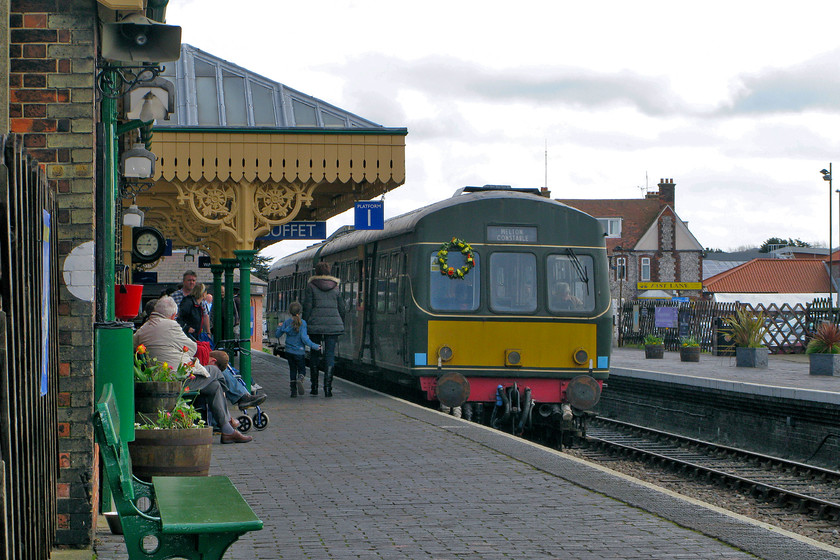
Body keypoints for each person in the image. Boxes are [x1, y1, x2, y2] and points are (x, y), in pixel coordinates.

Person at [133, 296, 258, 444]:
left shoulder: (143, 329)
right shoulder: (171, 325)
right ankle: (232, 411)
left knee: (215, 386)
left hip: (157, 381)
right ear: (173, 315)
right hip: (179, 381)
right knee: (216, 371)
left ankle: (227, 430)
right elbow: (192, 348)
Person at [302, 261, 346, 397]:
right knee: (330, 355)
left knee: (315, 354)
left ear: (316, 272)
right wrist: (339, 322)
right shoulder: (336, 287)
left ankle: (314, 387)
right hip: (333, 324)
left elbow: (307, 307)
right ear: (329, 272)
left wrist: (304, 323)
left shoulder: (311, 286)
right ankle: (328, 389)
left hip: (315, 325)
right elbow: (342, 308)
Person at [276, 302, 321, 398]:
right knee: (302, 370)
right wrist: (315, 346)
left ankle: (293, 391)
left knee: (292, 370)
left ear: (289, 312)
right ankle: (300, 378)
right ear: (300, 312)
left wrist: (280, 327)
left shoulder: (287, 322)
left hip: (289, 351)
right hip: (299, 352)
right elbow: (304, 339)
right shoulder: (302, 323)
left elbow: (277, 335)